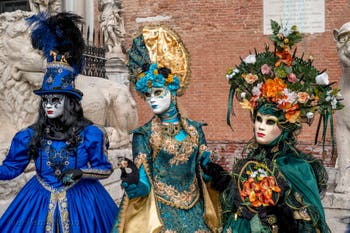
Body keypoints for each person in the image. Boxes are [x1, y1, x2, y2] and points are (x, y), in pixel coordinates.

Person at [0, 12, 118, 232]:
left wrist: (81, 173)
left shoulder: (90, 134)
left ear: (69, 102)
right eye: (46, 100)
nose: (49, 105)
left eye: (56, 100)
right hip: (38, 199)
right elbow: (10, 168)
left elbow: (104, 168)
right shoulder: (30, 136)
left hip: (83, 202)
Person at [221, 20, 343, 233]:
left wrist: (283, 212)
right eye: (258, 119)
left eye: (270, 122)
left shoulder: (298, 169)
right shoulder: (248, 162)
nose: (261, 127)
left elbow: (310, 222)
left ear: (285, 127)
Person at [112, 25, 222, 233]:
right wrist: (133, 181)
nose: (152, 100)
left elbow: (203, 172)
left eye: (158, 92)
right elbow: (144, 181)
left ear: (172, 91)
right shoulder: (144, 135)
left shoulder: (195, 130)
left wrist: (215, 176)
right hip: (161, 214)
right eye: (148, 95)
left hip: (196, 211)